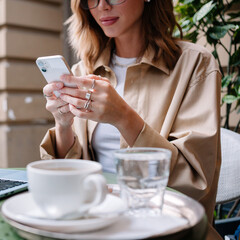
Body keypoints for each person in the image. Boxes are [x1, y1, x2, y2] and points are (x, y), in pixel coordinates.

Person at [40, 0, 221, 239]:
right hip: (93, 226)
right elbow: (66, 178)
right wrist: (63, 125)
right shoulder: (83, 72)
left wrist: (124, 117)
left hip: (165, 230)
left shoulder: (195, 64)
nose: (102, 6)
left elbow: (194, 184)